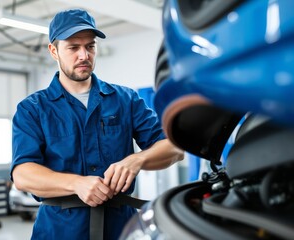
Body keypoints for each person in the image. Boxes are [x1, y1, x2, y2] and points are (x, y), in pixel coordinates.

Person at [11, 9, 184, 240]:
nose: (84, 55)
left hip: (120, 228)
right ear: (54, 51)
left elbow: (174, 148)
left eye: (90, 46)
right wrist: (76, 184)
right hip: (59, 231)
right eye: (73, 47)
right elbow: (23, 174)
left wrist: (137, 160)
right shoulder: (33, 109)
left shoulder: (125, 100)